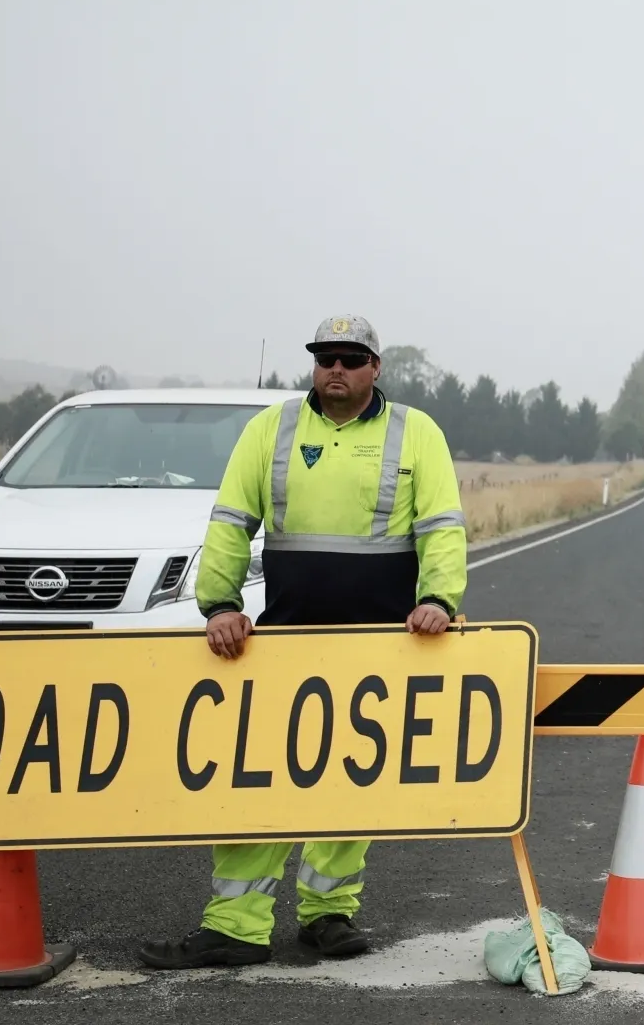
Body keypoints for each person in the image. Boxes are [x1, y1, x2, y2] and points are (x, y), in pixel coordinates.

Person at [138, 315, 467, 968]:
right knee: (255, 778)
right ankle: (235, 925)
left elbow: (442, 527)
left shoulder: (417, 433)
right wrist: (220, 605)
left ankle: (327, 915)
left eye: (350, 359)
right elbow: (231, 521)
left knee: (350, 781)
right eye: (325, 359)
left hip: (380, 647)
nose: (335, 370)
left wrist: (438, 600)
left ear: (376, 368)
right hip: (285, 641)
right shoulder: (273, 429)